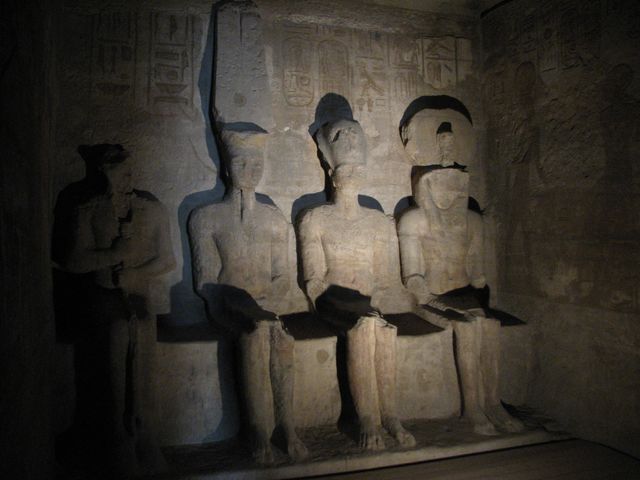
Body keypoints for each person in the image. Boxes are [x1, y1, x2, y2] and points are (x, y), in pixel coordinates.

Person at [52, 144, 175, 476]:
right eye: (114, 175)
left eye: (125, 174)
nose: (122, 182)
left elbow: (166, 259)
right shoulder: (86, 207)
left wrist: (136, 273)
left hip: (137, 293)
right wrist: (113, 254)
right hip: (100, 294)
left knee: (142, 330)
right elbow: (72, 260)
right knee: (116, 331)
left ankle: (143, 428)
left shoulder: (150, 208)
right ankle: (115, 433)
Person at [188, 126, 307, 464]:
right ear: (227, 168)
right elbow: (205, 280)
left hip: (266, 305)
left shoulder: (273, 218)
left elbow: (282, 275)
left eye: (256, 165)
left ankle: (286, 425)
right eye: (241, 164)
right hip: (226, 302)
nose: (250, 172)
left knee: (280, 337)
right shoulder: (206, 218)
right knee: (255, 334)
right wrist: (238, 304)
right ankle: (257, 429)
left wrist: (268, 300)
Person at [297, 118, 416, 450]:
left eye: (357, 171)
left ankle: (390, 416)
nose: (351, 178)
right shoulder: (314, 218)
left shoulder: (378, 221)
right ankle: (366, 419)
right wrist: (344, 304)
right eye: (345, 171)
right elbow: (314, 280)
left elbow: (386, 278)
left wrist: (377, 303)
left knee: (383, 330)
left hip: (367, 303)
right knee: (364, 329)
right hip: (331, 301)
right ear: (331, 173)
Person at [398, 164, 525, 435]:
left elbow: (477, 273)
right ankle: (472, 407)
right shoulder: (414, 220)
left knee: (489, 327)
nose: (448, 193)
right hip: (430, 296)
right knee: (467, 329)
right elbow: (412, 276)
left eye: (454, 188)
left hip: (464, 293)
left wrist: (479, 282)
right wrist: (422, 289)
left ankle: (493, 402)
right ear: (426, 188)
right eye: (441, 186)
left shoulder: (472, 221)